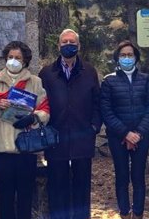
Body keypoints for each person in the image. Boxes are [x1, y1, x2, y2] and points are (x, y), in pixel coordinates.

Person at [0, 41, 50, 219]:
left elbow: (45, 108)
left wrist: (34, 117)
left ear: (25, 61)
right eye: (10, 57)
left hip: (26, 147)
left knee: (25, 194)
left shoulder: (36, 82)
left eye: (18, 58)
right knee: (5, 194)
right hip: (2, 147)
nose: (13, 61)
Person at [39, 29, 101, 219]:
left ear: (78, 46)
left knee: (82, 187)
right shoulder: (47, 73)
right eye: (64, 42)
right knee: (58, 187)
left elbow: (97, 103)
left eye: (72, 42)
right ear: (58, 46)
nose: (68, 45)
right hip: (56, 138)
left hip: (82, 138)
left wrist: (94, 127)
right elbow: (41, 103)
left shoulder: (89, 71)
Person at [100, 40, 149, 219]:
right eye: (123, 55)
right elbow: (106, 111)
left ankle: (138, 213)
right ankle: (124, 213)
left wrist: (138, 133)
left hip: (142, 135)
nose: (126, 58)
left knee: (138, 176)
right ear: (117, 58)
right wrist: (125, 133)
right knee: (122, 176)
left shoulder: (146, 79)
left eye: (130, 55)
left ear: (136, 58)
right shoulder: (109, 81)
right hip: (118, 137)